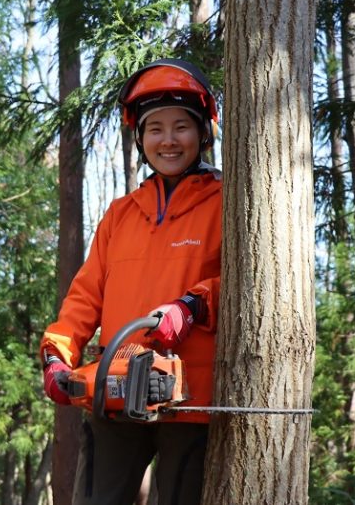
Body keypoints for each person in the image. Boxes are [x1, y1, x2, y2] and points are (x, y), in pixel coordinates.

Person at [39, 58, 222, 505]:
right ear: (140, 138)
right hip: (116, 390)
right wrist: (57, 356)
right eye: (155, 128)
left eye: (181, 126)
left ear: (203, 133)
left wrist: (192, 305)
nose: (169, 139)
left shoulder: (227, 201)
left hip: (192, 399)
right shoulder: (121, 214)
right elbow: (85, 296)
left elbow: (242, 283)